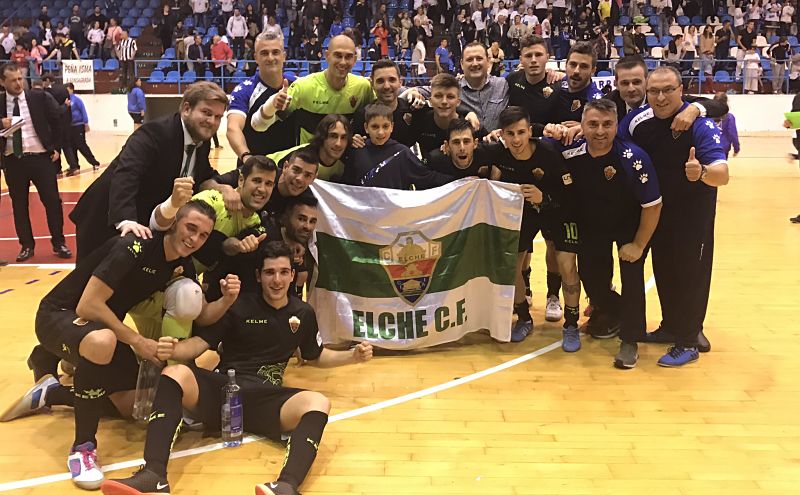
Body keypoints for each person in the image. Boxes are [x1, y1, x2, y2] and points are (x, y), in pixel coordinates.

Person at [101, 241, 373, 495]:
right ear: (258, 276)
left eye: (283, 272)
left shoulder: (303, 313)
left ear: (292, 275)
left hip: (265, 399)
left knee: (318, 401)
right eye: (269, 273)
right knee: (174, 373)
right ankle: (154, 475)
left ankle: (286, 486)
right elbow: (198, 345)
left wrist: (352, 357)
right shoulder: (238, 306)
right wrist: (172, 349)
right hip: (225, 394)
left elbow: (315, 356)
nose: (276, 280)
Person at [20, 200, 232, 489]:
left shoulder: (181, 264)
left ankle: (54, 393)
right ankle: (83, 448)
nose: (194, 239)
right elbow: (88, 305)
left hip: (97, 328)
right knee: (102, 340)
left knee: (133, 402)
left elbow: (204, 315)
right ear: (174, 223)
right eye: (190, 228)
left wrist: (228, 299)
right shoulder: (136, 246)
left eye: (203, 235)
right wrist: (139, 341)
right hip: (57, 316)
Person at [618, 66, 729, 366]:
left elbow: (723, 174)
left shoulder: (701, 125)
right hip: (659, 211)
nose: (661, 96)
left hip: (693, 215)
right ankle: (671, 326)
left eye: (668, 90)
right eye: (654, 91)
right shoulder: (637, 122)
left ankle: (688, 340)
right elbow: (614, 144)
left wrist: (702, 172)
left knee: (691, 274)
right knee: (664, 270)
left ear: (682, 89)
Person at [551, 99, 662, 369]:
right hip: (592, 225)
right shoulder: (569, 151)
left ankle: (630, 339)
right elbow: (534, 142)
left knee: (632, 276)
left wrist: (638, 244)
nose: (600, 131)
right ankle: (618, 313)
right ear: (582, 126)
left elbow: (653, 204)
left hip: (628, 225)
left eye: (607, 124)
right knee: (594, 282)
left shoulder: (633, 157)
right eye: (593, 124)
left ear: (616, 126)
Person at [69, 81, 228, 263]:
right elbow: (127, 173)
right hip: (102, 218)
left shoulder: (201, 141)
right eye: (207, 113)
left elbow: (203, 172)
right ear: (186, 109)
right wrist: (125, 219)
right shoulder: (155, 133)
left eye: (218, 117)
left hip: (144, 222)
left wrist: (223, 187)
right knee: (88, 284)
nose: (212, 122)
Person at [488, 107, 581, 350]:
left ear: (530, 131)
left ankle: (571, 324)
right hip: (522, 213)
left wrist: (545, 198)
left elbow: (571, 195)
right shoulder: (498, 155)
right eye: (510, 134)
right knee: (511, 266)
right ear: (503, 135)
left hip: (557, 210)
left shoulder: (549, 153)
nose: (516, 140)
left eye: (521, 132)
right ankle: (524, 318)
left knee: (567, 263)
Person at [0, 63, 71, 263]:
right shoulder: (0, 102)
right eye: (13, 80)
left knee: (52, 202)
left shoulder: (38, 97)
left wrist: (56, 147)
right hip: (13, 160)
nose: (18, 83)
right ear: (2, 82)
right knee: (19, 205)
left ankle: (59, 242)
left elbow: (58, 118)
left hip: (41, 158)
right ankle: (26, 246)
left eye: (20, 78)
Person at [250, 34, 374, 145]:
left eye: (348, 57)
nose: (343, 62)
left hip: (346, 167)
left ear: (355, 59)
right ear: (327, 56)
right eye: (338, 55)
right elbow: (258, 125)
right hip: (309, 167)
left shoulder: (363, 87)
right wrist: (272, 105)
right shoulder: (303, 87)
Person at [227, 31, 298, 166]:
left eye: (275, 52)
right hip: (255, 170)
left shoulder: (298, 86)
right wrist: (247, 158)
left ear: (284, 56)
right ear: (256, 57)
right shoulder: (244, 91)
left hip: (289, 172)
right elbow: (233, 128)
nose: (271, 58)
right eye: (264, 53)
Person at [342, 103, 453, 189]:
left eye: (385, 126)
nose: (380, 132)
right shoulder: (357, 151)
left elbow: (427, 177)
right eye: (375, 127)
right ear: (366, 127)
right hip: (365, 213)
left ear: (392, 127)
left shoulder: (402, 152)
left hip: (394, 214)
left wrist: (461, 182)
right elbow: (346, 186)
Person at [352, 59, 418, 147]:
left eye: (392, 80)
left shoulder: (414, 110)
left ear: (400, 82)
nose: (386, 86)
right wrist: (352, 142)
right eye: (380, 81)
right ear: (372, 84)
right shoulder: (362, 116)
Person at [64, 82, 101, 174]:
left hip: (78, 125)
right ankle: (75, 166)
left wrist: (86, 123)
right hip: (69, 126)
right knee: (72, 147)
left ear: (71, 89)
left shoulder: (77, 100)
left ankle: (94, 162)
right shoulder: (65, 100)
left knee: (82, 145)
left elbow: (83, 111)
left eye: (67, 88)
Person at [713, 92, 740, 158]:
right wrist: (736, 148)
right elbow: (733, 134)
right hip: (723, 148)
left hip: (709, 147)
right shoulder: (729, 117)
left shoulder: (707, 116)